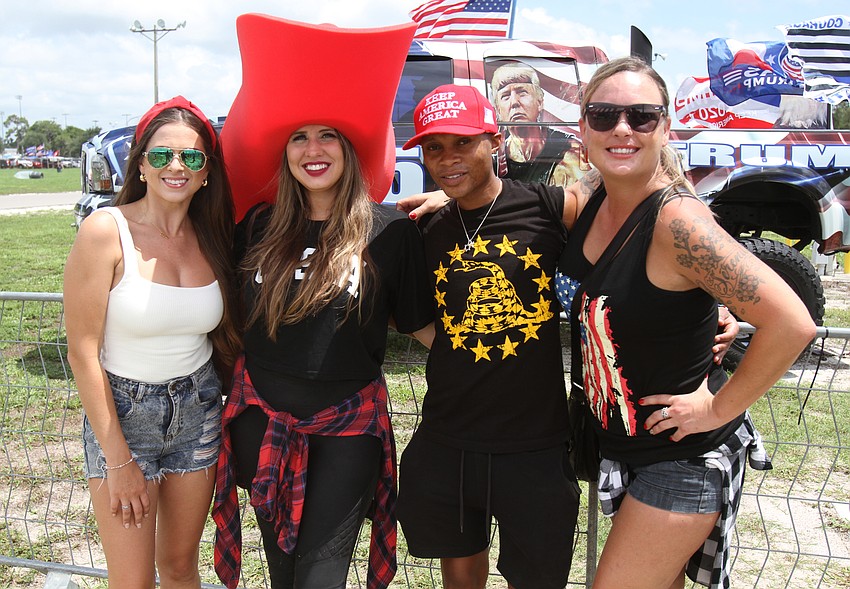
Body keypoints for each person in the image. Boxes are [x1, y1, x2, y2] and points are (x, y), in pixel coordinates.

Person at [556, 56, 816, 589]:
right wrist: (452, 194)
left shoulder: (679, 223)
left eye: (641, 117)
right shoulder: (597, 198)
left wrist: (717, 407)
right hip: (625, 449)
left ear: (665, 128)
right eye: (604, 116)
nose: (622, 129)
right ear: (582, 128)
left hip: (683, 458)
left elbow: (792, 324)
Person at [210, 15, 431, 589]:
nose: (314, 149)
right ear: (283, 153)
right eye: (299, 137)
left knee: (321, 575)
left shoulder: (390, 232)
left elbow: (425, 327)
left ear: (350, 147)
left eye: (327, 134)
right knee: (282, 571)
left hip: (348, 429)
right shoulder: (255, 228)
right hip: (261, 421)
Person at [395, 83, 585, 589]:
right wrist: (460, 346)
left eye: (463, 143)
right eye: (434, 147)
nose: (447, 158)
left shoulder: (549, 207)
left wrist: (711, 309)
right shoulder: (425, 227)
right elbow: (409, 312)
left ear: (494, 142)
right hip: (450, 438)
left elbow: (640, 222)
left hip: (536, 444)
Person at [64, 95, 240, 589]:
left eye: (191, 156)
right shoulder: (105, 232)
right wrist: (118, 461)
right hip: (125, 415)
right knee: (133, 582)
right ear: (141, 165)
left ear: (208, 170)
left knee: (182, 568)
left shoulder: (216, 236)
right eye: (161, 155)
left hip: (199, 409)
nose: (175, 167)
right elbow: (82, 351)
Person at [490, 62, 585, 188]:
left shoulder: (569, 149)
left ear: (539, 102)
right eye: (505, 96)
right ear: (498, 110)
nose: (514, 102)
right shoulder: (493, 156)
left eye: (522, 92)